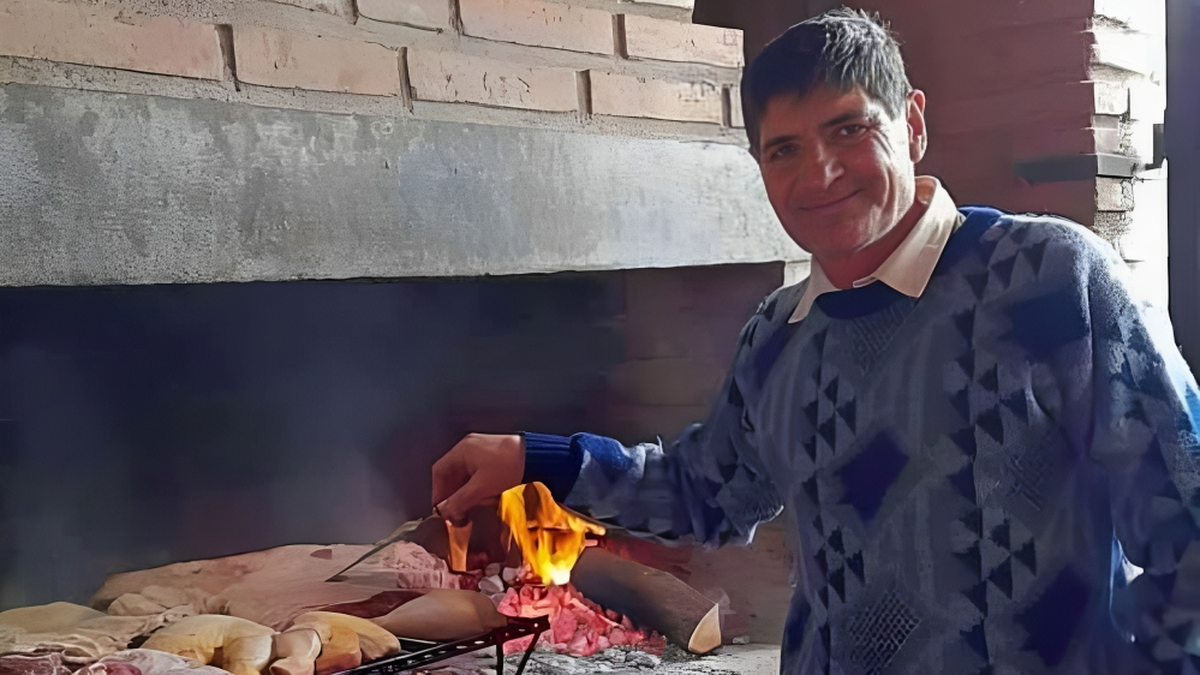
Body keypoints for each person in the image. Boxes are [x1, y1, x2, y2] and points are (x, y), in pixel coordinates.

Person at [431, 8, 1200, 674]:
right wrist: (534, 458)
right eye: (784, 149)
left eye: (848, 128)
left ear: (915, 124)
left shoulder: (1053, 281)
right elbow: (706, 491)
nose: (820, 172)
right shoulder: (778, 333)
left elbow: (1189, 520)